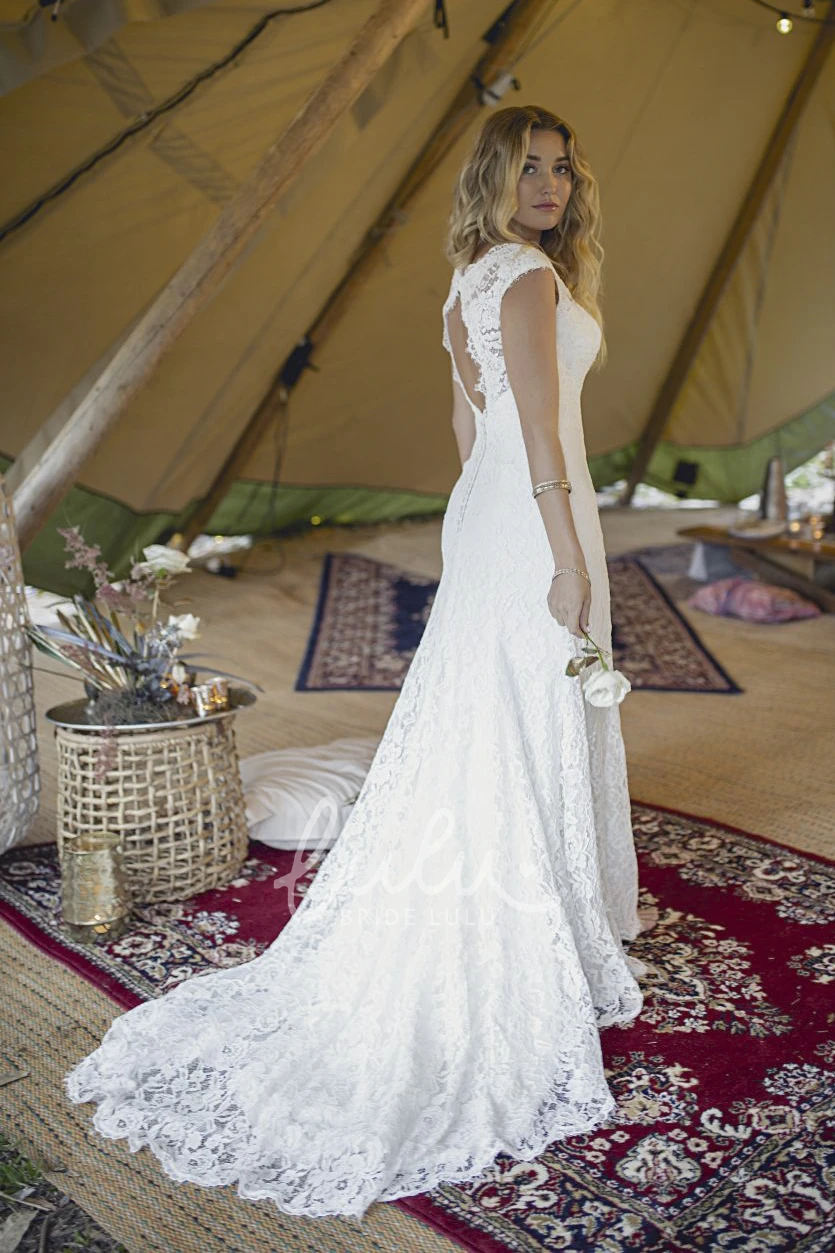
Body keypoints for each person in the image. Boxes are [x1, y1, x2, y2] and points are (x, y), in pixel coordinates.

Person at [66, 104, 653, 1221]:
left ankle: (545, 906)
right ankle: (533, 927)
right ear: (493, 178)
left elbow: (466, 431)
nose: (552, 186)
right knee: (525, 710)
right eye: (529, 169)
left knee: (492, 716)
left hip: (494, 519)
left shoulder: (466, 283)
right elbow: (532, 433)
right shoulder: (523, 280)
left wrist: (475, 546)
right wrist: (569, 557)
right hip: (537, 520)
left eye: (563, 169)